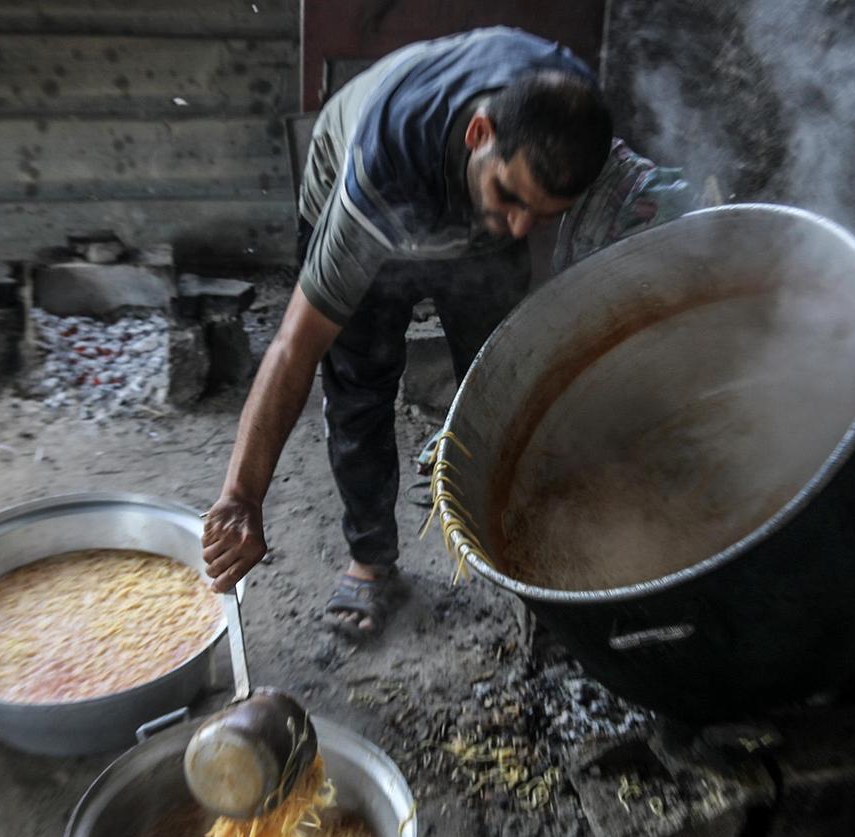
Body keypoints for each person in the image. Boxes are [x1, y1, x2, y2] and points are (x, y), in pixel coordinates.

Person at [200, 27, 614, 637]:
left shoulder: (571, 112)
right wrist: (241, 494)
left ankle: (521, 548)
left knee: (502, 377)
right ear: (480, 135)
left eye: (543, 214)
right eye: (511, 197)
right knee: (360, 384)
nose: (521, 227)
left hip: (458, 183)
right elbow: (295, 345)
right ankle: (371, 562)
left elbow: (540, 215)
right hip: (361, 168)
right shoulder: (381, 171)